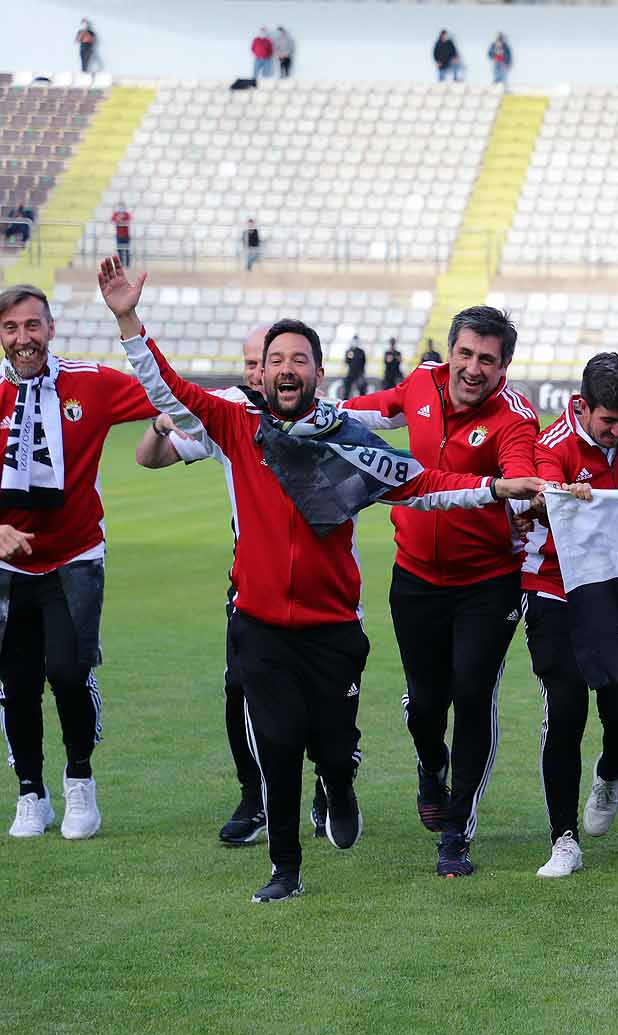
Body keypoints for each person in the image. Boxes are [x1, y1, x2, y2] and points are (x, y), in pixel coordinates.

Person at [95, 257, 545, 902]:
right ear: (262, 372)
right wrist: (127, 319)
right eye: (276, 359)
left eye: (300, 360)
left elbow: (422, 488)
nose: (286, 369)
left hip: (333, 626)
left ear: (318, 372)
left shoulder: (346, 438)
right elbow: (167, 391)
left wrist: (495, 487)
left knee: (333, 748)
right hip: (257, 621)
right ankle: (285, 869)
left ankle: (339, 781)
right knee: (277, 745)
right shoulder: (235, 422)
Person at [338, 306, 538, 877]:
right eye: (466, 354)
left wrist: (520, 499)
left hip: (487, 582)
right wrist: (310, 415)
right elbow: (364, 412)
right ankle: (432, 764)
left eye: (488, 360)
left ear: (504, 367)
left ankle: (457, 830)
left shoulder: (515, 418)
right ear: (450, 350)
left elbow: (519, 473)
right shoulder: (421, 381)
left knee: (473, 694)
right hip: (415, 576)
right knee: (426, 702)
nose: (473, 369)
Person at [0, 284, 158, 841]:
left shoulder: (88, 382)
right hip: (6, 568)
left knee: (68, 673)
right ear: (1, 335)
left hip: (74, 557)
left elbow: (164, 392)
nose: (24, 339)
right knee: (14, 684)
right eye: (12, 328)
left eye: (33, 326)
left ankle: (79, 781)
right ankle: (29, 792)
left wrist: (127, 318)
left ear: (51, 329)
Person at [132, 325, 274, 845]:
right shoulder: (229, 419)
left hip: (321, 583)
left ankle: (331, 780)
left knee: (321, 695)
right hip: (250, 584)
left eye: (267, 360)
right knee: (239, 687)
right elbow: (151, 457)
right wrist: (159, 421)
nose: (258, 372)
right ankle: (252, 795)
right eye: (251, 362)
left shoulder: (325, 417)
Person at [522, 354, 618, 878]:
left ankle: (609, 771)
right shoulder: (552, 446)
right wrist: (562, 499)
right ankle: (564, 838)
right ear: (581, 406)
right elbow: (545, 489)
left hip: (615, 590)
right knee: (567, 711)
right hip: (554, 589)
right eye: (608, 423)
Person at [112, 203, 132, 267]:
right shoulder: (116, 214)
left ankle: (127, 265)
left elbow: (128, 221)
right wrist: (120, 219)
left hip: (126, 236)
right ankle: (121, 265)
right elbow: (114, 220)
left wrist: (120, 221)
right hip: (119, 235)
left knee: (127, 251)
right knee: (119, 251)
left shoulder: (127, 214)